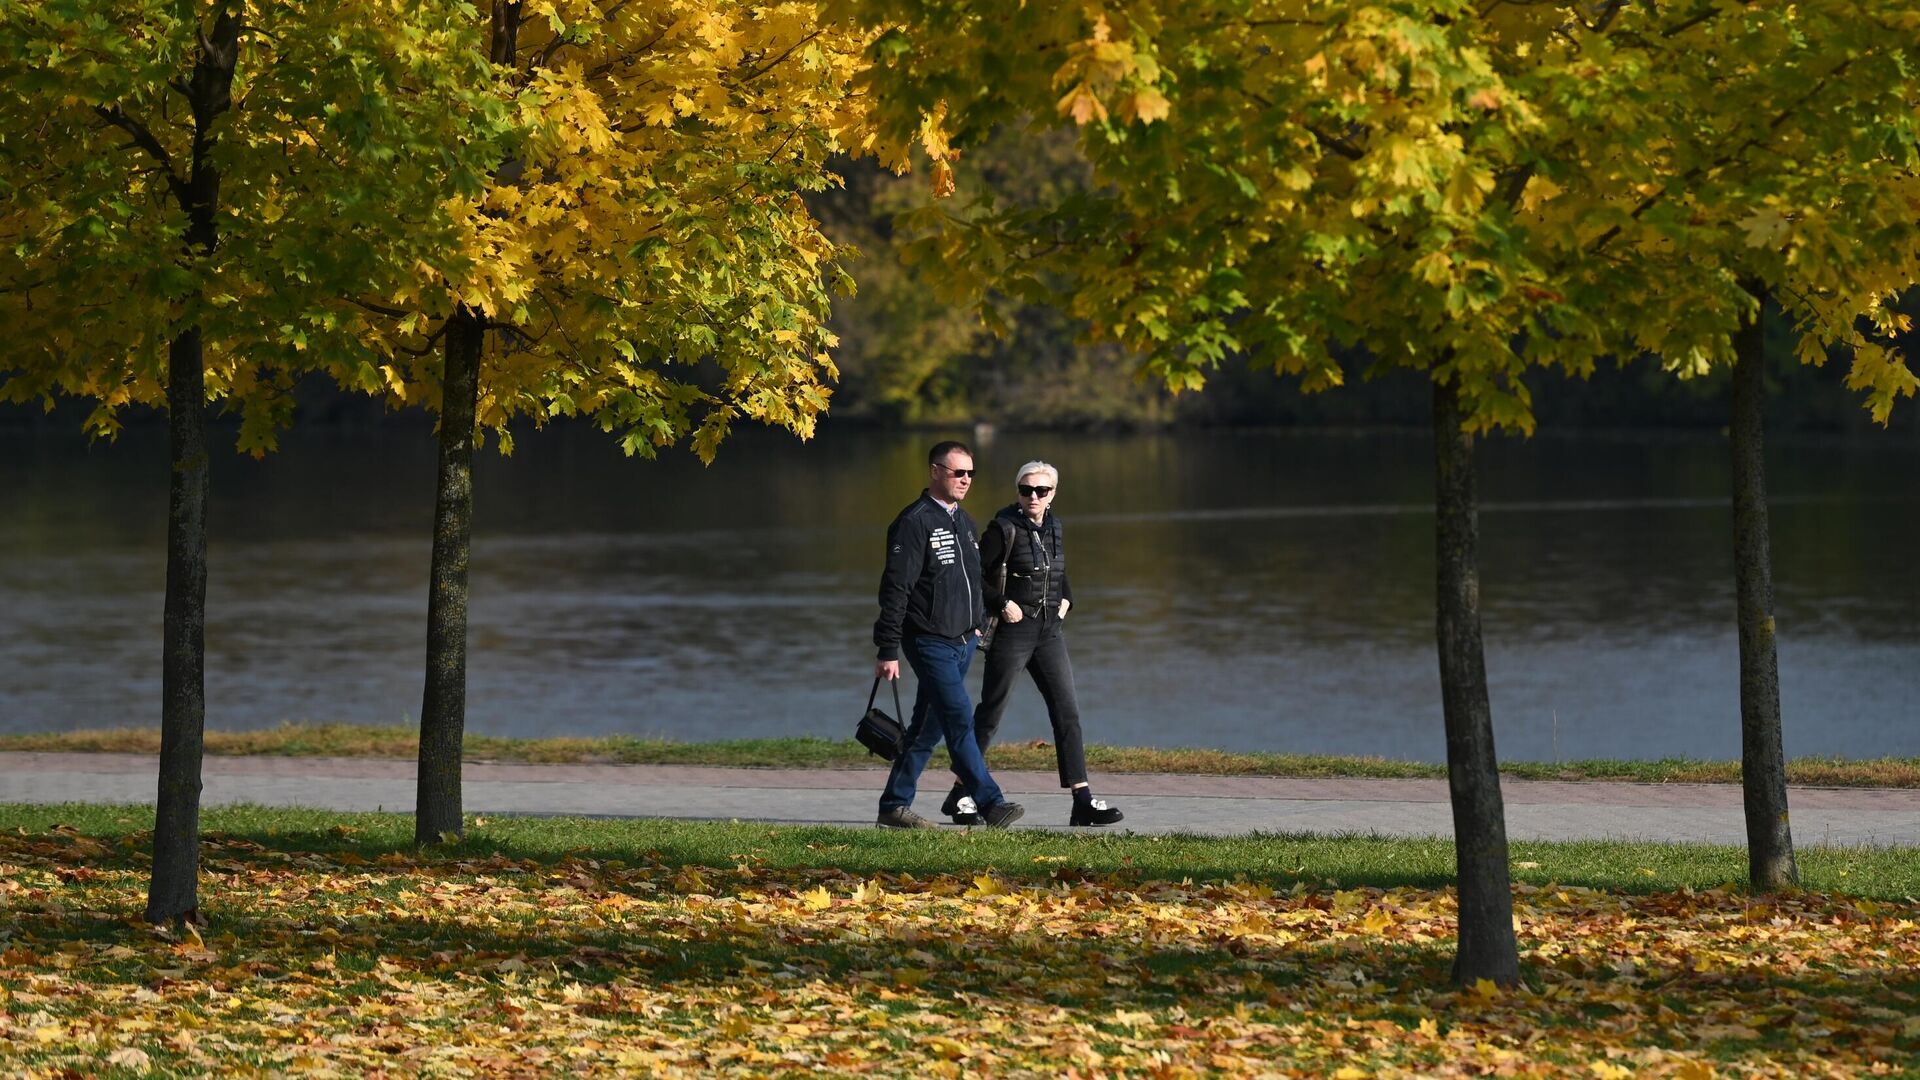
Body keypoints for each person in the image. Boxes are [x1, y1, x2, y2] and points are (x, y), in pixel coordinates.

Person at [940, 460, 1124, 827]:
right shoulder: (1003, 528)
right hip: (1013, 631)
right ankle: (961, 793)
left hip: (1049, 631)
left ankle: (1082, 800)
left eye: (1041, 490)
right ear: (1018, 492)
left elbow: (1059, 571)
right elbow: (972, 575)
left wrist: (1068, 598)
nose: (1033, 497)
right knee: (991, 712)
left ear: (1053, 493)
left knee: (1067, 712)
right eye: (1026, 490)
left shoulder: (1054, 526)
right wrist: (1001, 603)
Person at [872, 441, 1025, 829]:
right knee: (958, 719)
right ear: (935, 471)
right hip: (928, 640)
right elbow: (895, 589)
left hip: (963, 641)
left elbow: (972, 580)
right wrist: (888, 647)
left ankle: (893, 805)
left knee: (928, 726)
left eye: (971, 473)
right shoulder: (914, 521)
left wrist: (978, 618)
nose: (966, 480)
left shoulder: (965, 522)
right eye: (959, 473)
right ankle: (991, 803)